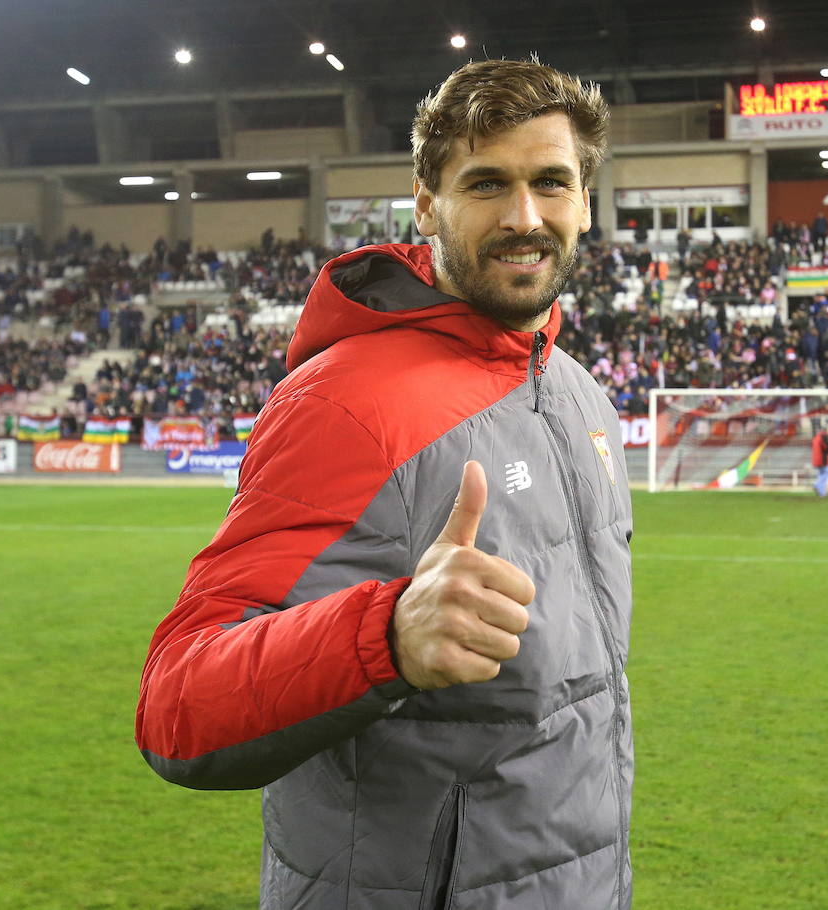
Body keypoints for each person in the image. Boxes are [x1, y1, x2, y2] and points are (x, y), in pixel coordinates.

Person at [135, 58, 635, 910]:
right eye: (486, 184)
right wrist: (386, 638)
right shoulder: (345, 403)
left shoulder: (577, 389)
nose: (525, 217)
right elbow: (178, 705)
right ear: (427, 202)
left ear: (585, 199)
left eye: (552, 182)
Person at [811, 424, 828, 497]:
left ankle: (822, 492)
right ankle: (817, 485)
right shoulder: (824, 436)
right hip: (824, 460)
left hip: (817, 460)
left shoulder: (816, 437)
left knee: (822, 474)